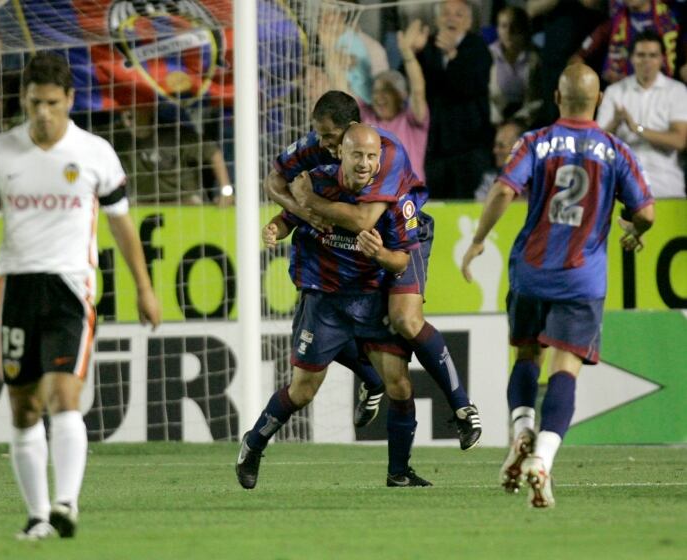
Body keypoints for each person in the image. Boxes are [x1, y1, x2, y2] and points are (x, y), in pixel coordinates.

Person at [0, 52, 161, 539]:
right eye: (34, 103)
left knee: (64, 395)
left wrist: (145, 287)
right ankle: (38, 516)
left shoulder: (94, 152)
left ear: (69, 99)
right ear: (23, 101)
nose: (43, 112)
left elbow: (121, 224)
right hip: (16, 287)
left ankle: (66, 503)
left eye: (51, 102)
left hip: (72, 287)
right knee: (24, 406)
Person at [461, 63, 655, 508]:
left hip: (531, 270)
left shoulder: (537, 141)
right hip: (580, 278)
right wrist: (633, 229)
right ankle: (543, 458)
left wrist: (477, 241)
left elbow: (504, 190)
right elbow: (646, 212)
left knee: (527, 354)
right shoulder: (616, 151)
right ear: (599, 99)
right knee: (563, 369)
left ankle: (522, 426)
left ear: (556, 97)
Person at [267, 90, 482, 449]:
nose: (322, 143)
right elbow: (274, 181)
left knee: (405, 320)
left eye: (329, 136)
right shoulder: (318, 145)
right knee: (336, 310)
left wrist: (310, 201)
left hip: (402, 234)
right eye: (319, 134)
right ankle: (371, 379)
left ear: (352, 129)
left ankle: (462, 408)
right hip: (358, 240)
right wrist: (304, 213)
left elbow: (365, 218)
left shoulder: (389, 152)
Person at [238, 124, 430, 489]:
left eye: (371, 156)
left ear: (379, 159)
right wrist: (275, 230)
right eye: (356, 154)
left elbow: (402, 261)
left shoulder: (387, 195)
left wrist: (381, 254)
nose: (364, 163)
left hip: (371, 300)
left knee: (400, 385)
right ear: (341, 153)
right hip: (325, 301)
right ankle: (254, 443)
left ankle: (399, 472)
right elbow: (288, 218)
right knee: (302, 392)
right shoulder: (316, 182)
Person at [414, 0, 494, 199]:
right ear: (436, 19)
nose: (451, 18)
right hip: (435, 144)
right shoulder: (426, 46)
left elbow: (469, 87)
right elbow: (409, 84)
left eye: (459, 14)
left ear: (468, 22)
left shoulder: (478, 47)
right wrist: (412, 52)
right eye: (446, 13)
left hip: (469, 146)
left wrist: (452, 55)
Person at [596, 30, 687, 198]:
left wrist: (637, 129)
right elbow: (596, 143)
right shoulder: (614, 92)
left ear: (662, 59)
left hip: (666, 186)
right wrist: (615, 122)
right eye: (641, 55)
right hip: (621, 187)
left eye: (653, 55)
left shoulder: (677, 91)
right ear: (631, 58)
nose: (647, 61)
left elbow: (679, 140)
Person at [113, 103, 233, 206]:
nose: (129, 111)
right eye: (125, 107)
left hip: (185, 202)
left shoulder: (175, 134)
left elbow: (213, 152)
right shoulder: (117, 137)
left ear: (152, 109)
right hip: (144, 203)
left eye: (136, 108)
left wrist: (226, 191)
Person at [358, 19, 430, 181]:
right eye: (376, 91)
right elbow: (341, 88)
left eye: (387, 91)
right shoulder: (367, 117)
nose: (379, 96)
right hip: (371, 199)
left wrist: (407, 53)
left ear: (401, 95)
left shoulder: (412, 120)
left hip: (408, 198)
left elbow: (418, 90)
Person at [570, 0, 680, 85]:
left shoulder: (673, 20)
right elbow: (578, 57)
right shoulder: (613, 23)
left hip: (663, 94)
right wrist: (590, 84)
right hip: (621, 94)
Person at [488, 6, 542, 126]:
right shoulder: (487, 55)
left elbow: (538, 99)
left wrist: (519, 121)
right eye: (503, 26)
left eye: (514, 26)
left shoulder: (536, 58)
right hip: (492, 122)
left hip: (525, 122)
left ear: (523, 29)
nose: (509, 31)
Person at [474, 119, 527, 201]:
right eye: (495, 145)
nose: (495, 151)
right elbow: (478, 208)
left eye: (501, 146)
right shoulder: (490, 180)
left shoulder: (540, 180)